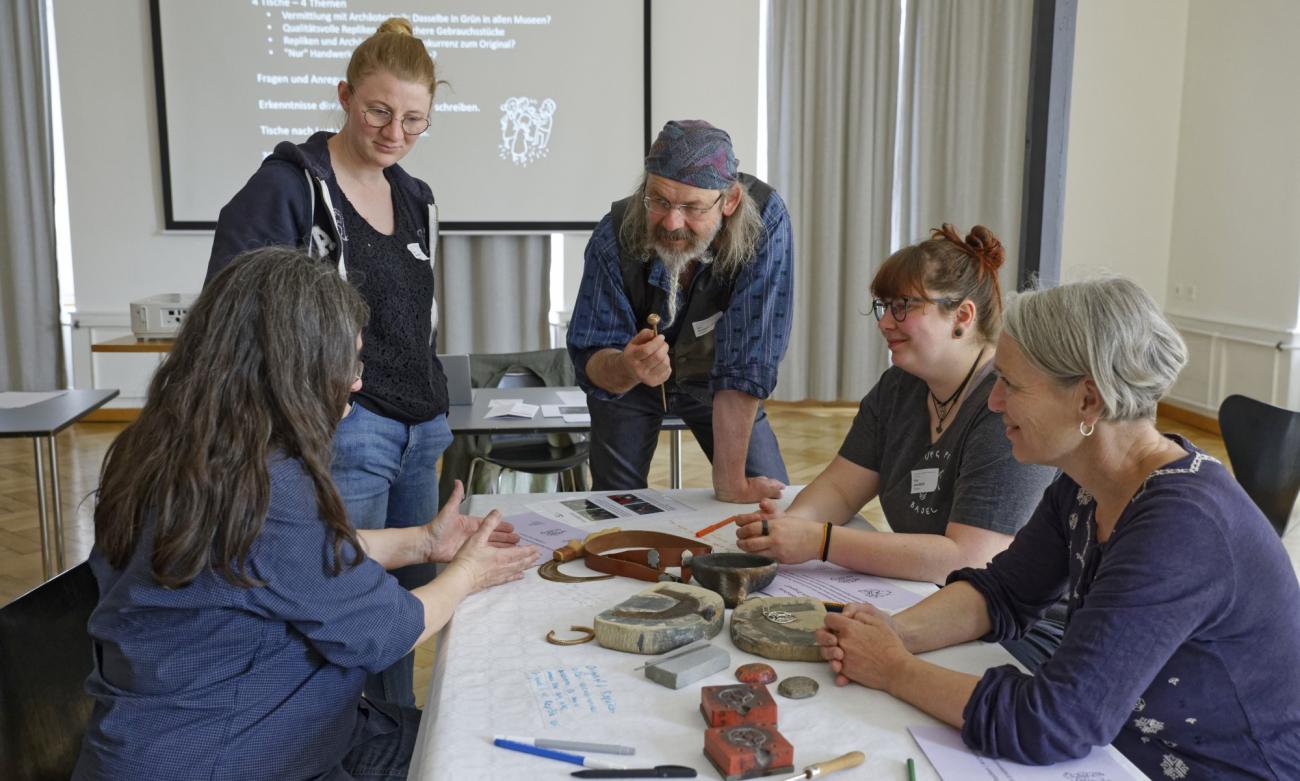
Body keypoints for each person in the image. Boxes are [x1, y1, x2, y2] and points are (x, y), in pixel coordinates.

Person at [73, 248, 538, 781]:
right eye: (350, 363)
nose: (357, 382)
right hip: (230, 757)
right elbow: (387, 630)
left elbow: (293, 561)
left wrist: (422, 543)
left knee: (476, 741)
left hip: (195, 737)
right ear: (295, 367)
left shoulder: (174, 448)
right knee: (496, 757)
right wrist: (470, 574)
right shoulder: (261, 487)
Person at [816, 277, 1300, 779]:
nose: (994, 402)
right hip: (1123, 752)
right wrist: (890, 633)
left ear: (1088, 400)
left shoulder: (1183, 525)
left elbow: (1056, 719)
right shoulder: (1088, 482)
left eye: (1010, 384)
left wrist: (894, 668)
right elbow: (1004, 592)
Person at [205, 18, 447, 707]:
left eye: (414, 120)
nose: (395, 132)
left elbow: (416, 318)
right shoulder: (289, 187)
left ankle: (390, 733)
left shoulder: (416, 197)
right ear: (344, 96)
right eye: (378, 111)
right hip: (347, 429)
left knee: (401, 607)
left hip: (419, 430)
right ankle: (337, 736)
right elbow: (232, 312)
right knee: (344, 604)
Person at [733, 226, 1057, 588]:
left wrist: (820, 541)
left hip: (1009, 611)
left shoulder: (1006, 404)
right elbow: (841, 489)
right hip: (930, 592)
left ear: (962, 316)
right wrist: (791, 525)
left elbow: (969, 558)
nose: (885, 322)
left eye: (902, 307)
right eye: (884, 306)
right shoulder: (899, 387)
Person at [567, 119, 793, 502]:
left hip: (721, 379)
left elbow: (749, 359)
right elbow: (590, 355)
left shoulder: (764, 224)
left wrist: (731, 484)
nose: (672, 222)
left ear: (730, 201)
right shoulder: (614, 235)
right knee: (614, 507)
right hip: (631, 388)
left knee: (769, 504)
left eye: (692, 207)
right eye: (659, 201)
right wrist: (626, 367)